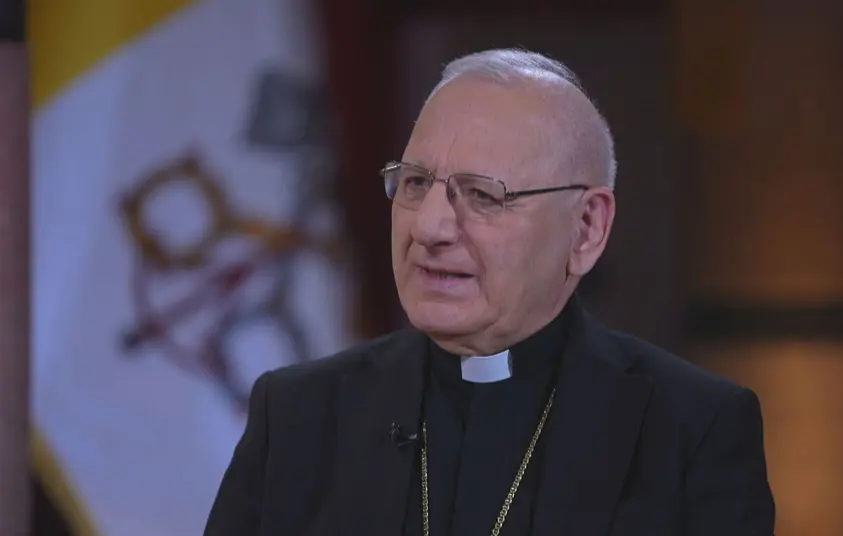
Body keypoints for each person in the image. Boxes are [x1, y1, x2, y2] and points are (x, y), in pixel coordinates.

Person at [203, 48, 775, 536]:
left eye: (481, 195)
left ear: (586, 229)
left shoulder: (692, 431)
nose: (429, 227)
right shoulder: (297, 416)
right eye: (415, 183)